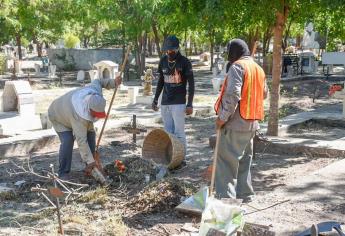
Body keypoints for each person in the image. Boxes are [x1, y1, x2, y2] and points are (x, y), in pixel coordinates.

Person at [214, 39, 268, 202]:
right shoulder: (258, 68)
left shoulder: (238, 67)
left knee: (226, 163)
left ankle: (226, 200)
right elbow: (264, 94)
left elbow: (233, 94)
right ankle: (245, 195)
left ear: (234, 52)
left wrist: (222, 118)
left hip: (235, 123)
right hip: (252, 123)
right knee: (244, 161)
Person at [48, 75, 122, 184]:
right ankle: (63, 172)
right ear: (89, 109)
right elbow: (82, 141)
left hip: (69, 110)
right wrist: (90, 161)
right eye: (95, 114)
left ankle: (90, 168)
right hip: (58, 115)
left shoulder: (95, 93)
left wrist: (113, 82)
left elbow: (98, 81)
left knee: (91, 135)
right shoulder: (79, 117)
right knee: (68, 140)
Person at [152, 35, 194, 155]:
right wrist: (155, 100)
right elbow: (161, 81)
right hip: (165, 103)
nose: (169, 52)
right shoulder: (163, 61)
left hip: (179, 103)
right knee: (168, 133)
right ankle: (172, 158)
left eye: (172, 50)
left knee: (179, 133)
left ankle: (182, 157)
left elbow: (191, 85)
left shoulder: (185, 62)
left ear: (177, 49)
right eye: (167, 50)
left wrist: (190, 104)